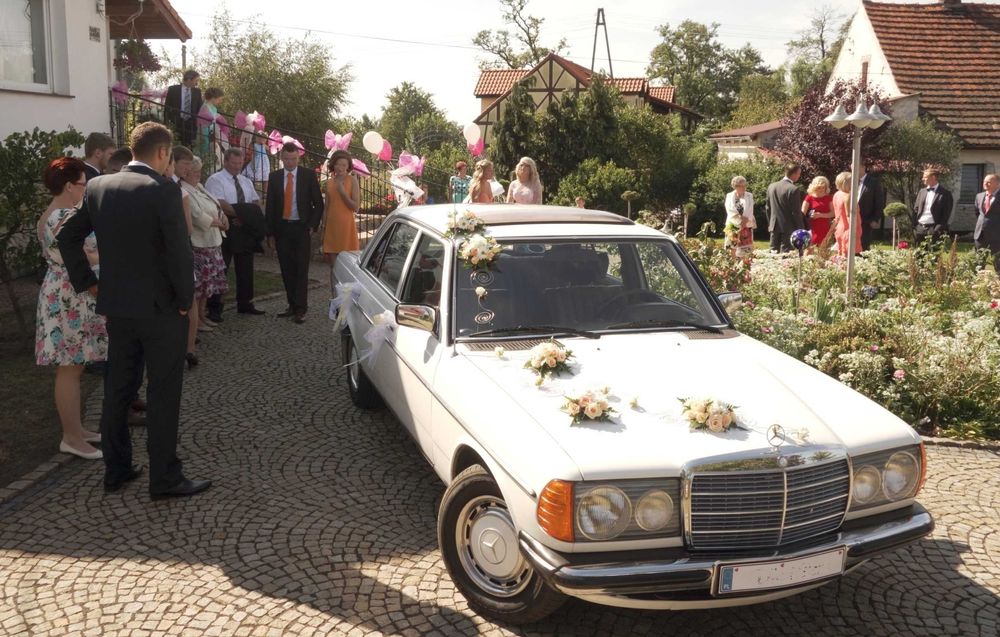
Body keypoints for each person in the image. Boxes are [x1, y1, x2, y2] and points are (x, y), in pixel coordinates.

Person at [58, 121, 211, 498]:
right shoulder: (163, 190)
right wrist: (183, 300)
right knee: (163, 392)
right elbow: (179, 253)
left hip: (118, 308)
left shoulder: (98, 186)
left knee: (118, 389)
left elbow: (67, 236)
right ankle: (165, 477)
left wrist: (88, 282)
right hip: (161, 311)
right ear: (162, 154)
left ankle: (117, 470)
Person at [35, 157, 107, 460]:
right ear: (68, 186)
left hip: (65, 293)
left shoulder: (50, 214)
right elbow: (89, 255)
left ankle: (77, 430)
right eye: (82, 184)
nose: (86, 189)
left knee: (73, 367)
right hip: (69, 296)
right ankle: (71, 437)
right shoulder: (63, 215)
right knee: (70, 368)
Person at [266, 142, 324, 323]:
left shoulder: (307, 175)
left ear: (298, 158)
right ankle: (291, 304)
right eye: (287, 159)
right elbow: (270, 207)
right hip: (282, 228)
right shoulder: (274, 177)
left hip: (301, 228)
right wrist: (270, 233)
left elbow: (318, 204)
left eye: (294, 159)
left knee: (301, 269)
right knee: (286, 268)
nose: (290, 162)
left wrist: (312, 226)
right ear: (281, 158)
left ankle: (301, 308)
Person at [205, 147, 266, 316]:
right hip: (226, 226)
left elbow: (255, 201)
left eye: (240, 163)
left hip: (244, 228)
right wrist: (241, 214)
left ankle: (245, 303)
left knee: (246, 268)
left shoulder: (246, 181)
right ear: (225, 161)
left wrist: (246, 217)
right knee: (221, 268)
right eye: (234, 163)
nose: (237, 166)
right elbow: (220, 203)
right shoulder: (215, 180)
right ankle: (215, 307)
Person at [181, 155, 229, 342]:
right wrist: (220, 223)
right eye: (194, 172)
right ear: (186, 173)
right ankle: (197, 319)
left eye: (199, 171)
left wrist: (223, 217)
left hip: (213, 240)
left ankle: (202, 315)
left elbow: (215, 204)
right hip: (200, 243)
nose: (198, 175)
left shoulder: (199, 188)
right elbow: (198, 216)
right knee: (200, 286)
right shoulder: (185, 191)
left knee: (208, 285)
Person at [321, 149, 361, 293]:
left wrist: (342, 190)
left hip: (347, 228)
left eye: (344, 165)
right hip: (332, 229)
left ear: (348, 166)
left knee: (348, 268)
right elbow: (327, 207)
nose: (341, 168)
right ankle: (335, 300)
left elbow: (355, 207)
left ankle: (347, 302)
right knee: (334, 269)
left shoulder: (353, 180)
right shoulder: (329, 183)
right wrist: (323, 227)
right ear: (333, 165)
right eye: (338, 165)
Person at [766, 163, 804, 253]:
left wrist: (770, 224)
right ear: (794, 174)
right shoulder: (793, 189)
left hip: (774, 226)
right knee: (786, 257)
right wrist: (800, 229)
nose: (799, 176)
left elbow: (768, 208)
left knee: (772, 255)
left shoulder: (771, 186)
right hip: (788, 228)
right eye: (799, 173)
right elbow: (796, 212)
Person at [911, 169, 953, 244]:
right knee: (918, 254)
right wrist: (915, 226)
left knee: (932, 254)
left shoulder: (945, 194)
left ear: (933, 177)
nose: (922, 179)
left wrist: (937, 229)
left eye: (925, 177)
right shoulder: (922, 191)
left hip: (933, 229)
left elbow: (946, 214)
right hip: (919, 228)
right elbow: (916, 209)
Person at [164, 70, 203, 148]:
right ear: (189, 79)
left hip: (191, 123)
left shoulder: (197, 91)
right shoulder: (173, 90)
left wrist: (199, 124)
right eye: (196, 80)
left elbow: (199, 108)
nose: (197, 83)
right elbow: (167, 107)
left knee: (189, 147)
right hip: (176, 122)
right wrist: (166, 123)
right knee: (176, 146)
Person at [974, 174, 1000, 273]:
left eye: (989, 182)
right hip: (980, 235)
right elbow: (977, 213)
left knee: (998, 263)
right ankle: (978, 285)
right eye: (985, 181)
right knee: (979, 263)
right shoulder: (979, 196)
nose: (985, 183)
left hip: (997, 236)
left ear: (997, 184)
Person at [833, 171, 862, 257]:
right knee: (848, 257)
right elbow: (850, 216)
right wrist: (853, 231)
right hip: (849, 229)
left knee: (841, 254)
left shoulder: (836, 194)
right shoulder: (848, 196)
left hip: (839, 228)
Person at [724, 175, 755, 256]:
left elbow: (750, 210)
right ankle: (732, 266)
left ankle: (744, 266)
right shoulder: (729, 195)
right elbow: (729, 210)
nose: (744, 187)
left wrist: (744, 223)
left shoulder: (749, 195)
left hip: (746, 225)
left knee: (745, 250)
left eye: (745, 185)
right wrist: (740, 220)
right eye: (741, 186)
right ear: (735, 186)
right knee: (732, 247)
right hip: (732, 224)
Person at [857, 165, 885, 251]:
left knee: (863, 247)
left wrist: (875, 219)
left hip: (866, 220)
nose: (853, 170)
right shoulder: (851, 181)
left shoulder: (873, 182)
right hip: (852, 220)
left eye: (855, 167)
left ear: (862, 167)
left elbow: (879, 202)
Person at [802, 176, 834, 248]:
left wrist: (820, 215)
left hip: (825, 227)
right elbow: (802, 213)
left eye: (824, 187)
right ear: (814, 187)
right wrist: (809, 215)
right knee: (809, 249)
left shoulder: (828, 198)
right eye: (819, 187)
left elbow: (833, 213)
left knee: (823, 250)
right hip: (812, 226)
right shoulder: (809, 197)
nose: (822, 190)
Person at [199, 87, 224, 160]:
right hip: (204, 130)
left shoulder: (214, 108)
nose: (220, 101)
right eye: (220, 99)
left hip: (211, 131)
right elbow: (202, 119)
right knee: (204, 148)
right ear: (213, 98)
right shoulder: (205, 106)